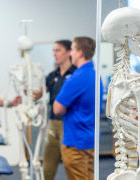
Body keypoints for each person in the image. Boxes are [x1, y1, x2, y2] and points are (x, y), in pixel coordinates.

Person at [53, 36, 103, 180]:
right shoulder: (95, 75)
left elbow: (57, 109)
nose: (70, 54)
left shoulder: (77, 78)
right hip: (90, 140)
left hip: (76, 143)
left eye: (73, 50)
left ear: (80, 53)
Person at [42, 40, 76, 180]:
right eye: (53, 50)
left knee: (71, 165)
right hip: (52, 123)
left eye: (58, 50)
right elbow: (40, 93)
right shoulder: (52, 76)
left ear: (69, 52)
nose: (54, 54)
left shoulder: (76, 75)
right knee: (48, 167)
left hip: (69, 123)